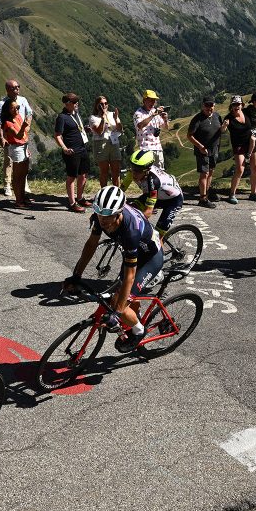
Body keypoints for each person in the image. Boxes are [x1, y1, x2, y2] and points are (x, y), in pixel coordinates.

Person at [62, 186, 164, 353]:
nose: (103, 220)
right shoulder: (100, 217)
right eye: (100, 214)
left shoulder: (130, 230)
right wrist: (76, 275)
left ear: (119, 213)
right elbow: (91, 245)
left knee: (118, 302)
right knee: (123, 298)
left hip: (150, 258)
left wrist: (117, 312)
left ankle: (139, 330)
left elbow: (130, 275)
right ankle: (133, 317)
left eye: (108, 216)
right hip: (133, 254)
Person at [121, 149, 183, 238]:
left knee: (157, 236)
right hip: (155, 195)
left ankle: (159, 250)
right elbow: (120, 190)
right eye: (132, 167)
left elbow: (148, 212)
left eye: (138, 170)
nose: (134, 173)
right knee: (130, 209)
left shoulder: (154, 181)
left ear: (147, 170)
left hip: (173, 201)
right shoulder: (134, 171)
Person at [0, 79, 33, 198]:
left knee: (23, 159)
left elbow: (29, 113)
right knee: (9, 160)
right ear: (8, 90)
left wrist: (27, 127)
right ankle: (7, 184)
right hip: (10, 133)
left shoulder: (23, 100)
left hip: (22, 132)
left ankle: (24, 184)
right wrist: (1, 137)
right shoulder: (2, 103)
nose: (17, 89)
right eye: (14, 88)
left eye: (18, 86)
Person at [54, 92, 90, 212]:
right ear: (67, 103)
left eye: (77, 101)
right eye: (74, 102)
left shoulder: (75, 113)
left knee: (83, 174)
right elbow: (57, 135)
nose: (77, 103)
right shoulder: (62, 117)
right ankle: (72, 203)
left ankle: (79, 198)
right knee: (71, 177)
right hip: (72, 151)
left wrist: (85, 129)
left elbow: (76, 128)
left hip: (82, 148)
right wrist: (64, 148)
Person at [187, 96, 223, 208]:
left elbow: (220, 130)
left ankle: (207, 193)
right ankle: (202, 199)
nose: (209, 108)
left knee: (211, 171)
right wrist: (200, 146)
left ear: (214, 106)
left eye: (211, 105)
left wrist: (224, 127)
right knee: (204, 173)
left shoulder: (217, 116)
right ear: (202, 106)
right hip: (202, 150)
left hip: (214, 149)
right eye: (207, 105)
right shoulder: (197, 119)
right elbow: (189, 135)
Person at [221, 95, 256, 204]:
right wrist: (224, 126)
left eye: (238, 104)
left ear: (242, 105)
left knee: (255, 167)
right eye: (234, 104)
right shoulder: (229, 118)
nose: (236, 106)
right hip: (238, 145)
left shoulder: (246, 113)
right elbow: (222, 131)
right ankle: (232, 194)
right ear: (231, 106)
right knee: (240, 169)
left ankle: (253, 193)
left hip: (251, 142)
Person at [1, 95, 32, 208]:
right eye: (13, 108)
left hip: (23, 146)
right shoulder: (8, 124)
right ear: (7, 110)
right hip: (16, 148)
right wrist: (24, 126)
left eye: (17, 107)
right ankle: (18, 200)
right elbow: (18, 135)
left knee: (23, 174)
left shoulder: (18, 116)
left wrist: (26, 125)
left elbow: (24, 133)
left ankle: (22, 197)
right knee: (18, 175)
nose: (16, 110)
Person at [89, 95, 122, 187]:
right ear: (97, 105)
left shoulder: (112, 114)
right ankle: (103, 191)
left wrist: (116, 119)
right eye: (101, 104)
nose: (104, 105)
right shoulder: (93, 118)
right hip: (101, 143)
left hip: (114, 143)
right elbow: (99, 131)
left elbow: (120, 129)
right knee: (104, 171)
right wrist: (103, 118)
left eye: (106, 103)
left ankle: (117, 192)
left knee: (116, 170)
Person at [133, 89, 169, 170]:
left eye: (154, 101)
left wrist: (165, 119)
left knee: (160, 172)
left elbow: (165, 127)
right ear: (144, 100)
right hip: (146, 148)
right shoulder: (138, 113)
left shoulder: (154, 111)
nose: (152, 103)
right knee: (148, 172)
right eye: (150, 100)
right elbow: (140, 125)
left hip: (158, 148)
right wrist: (153, 115)